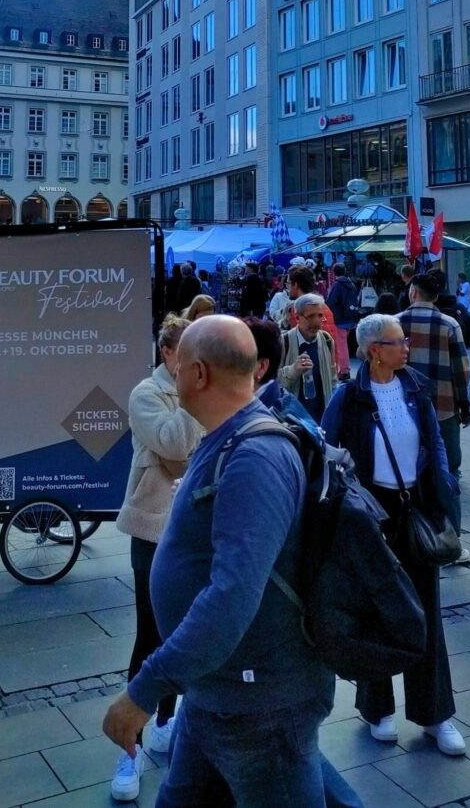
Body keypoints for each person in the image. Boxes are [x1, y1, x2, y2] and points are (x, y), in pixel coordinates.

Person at [103, 315, 361, 807]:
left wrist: (144, 692)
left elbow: (232, 593)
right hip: (218, 691)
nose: (171, 374)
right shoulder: (223, 436)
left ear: (198, 374)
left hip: (258, 702)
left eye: (179, 366)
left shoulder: (254, 456)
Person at [322, 314, 465, 757]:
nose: (406, 348)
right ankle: (376, 707)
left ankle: (436, 714)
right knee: (374, 610)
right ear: (372, 350)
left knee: (426, 611)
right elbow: (324, 446)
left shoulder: (415, 387)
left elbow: (435, 443)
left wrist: (445, 489)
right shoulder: (350, 396)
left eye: (405, 341)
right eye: (397, 342)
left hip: (414, 507)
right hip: (370, 516)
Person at [111, 315, 204, 801]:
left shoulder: (195, 393)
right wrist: (194, 403)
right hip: (152, 531)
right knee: (150, 634)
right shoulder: (146, 393)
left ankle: (167, 722)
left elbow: (196, 455)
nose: (200, 363)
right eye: (190, 351)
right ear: (169, 354)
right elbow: (174, 446)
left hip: (192, 530)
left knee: (184, 635)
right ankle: (129, 749)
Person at [395, 274, 470, 481]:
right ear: (435, 297)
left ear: (413, 293)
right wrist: (465, 406)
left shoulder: (395, 323)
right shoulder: (450, 325)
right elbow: (461, 370)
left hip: (403, 404)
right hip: (444, 406)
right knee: (449, 461)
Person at [278, 293, 337, 423]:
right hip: (293, 418)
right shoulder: (284, 342)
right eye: (310, 316)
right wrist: (293, 370)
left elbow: (333, 379)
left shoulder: (327, 340)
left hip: (321, 418)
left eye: (320, 316)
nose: (316, 322)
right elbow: (272, 382)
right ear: (297, 317)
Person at [326, 262, 359, 381]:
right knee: (344, 344)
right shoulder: (352, 284)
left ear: (334, 273)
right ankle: (343, 369)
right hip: (351, 318)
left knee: (341, 346)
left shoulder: (337, 285)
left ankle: (344, 371)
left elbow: (330, 302)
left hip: (340, 319)